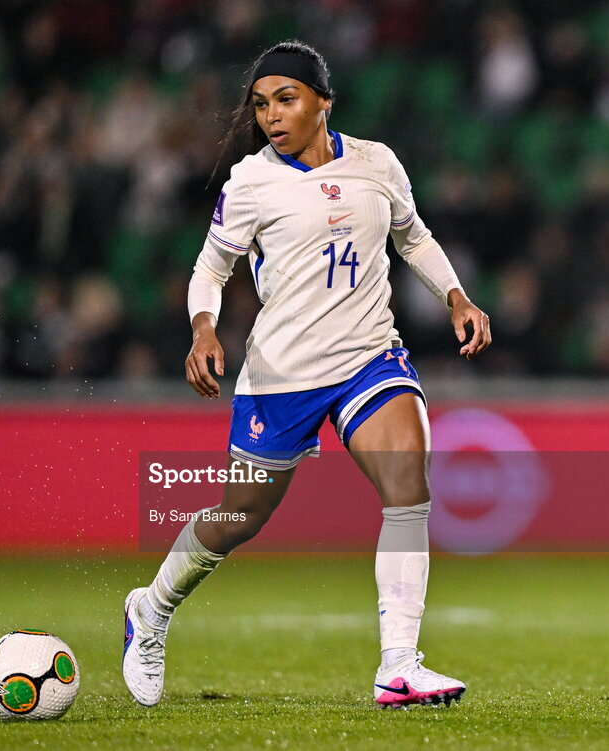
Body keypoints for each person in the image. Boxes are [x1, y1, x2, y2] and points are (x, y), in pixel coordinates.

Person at [123, 40, 491, 709]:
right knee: (239, 516)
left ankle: (399, 667)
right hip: (283, 372)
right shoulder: (251, 184)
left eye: (285, 98)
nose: (271, 115)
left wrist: (455, 295)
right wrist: (204, 327)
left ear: (325, 101)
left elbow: (412, 236)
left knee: (408, 480)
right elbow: (210, 269)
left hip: (368, 359)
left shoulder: (378, 163)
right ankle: (149, 609)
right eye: (261, 104)